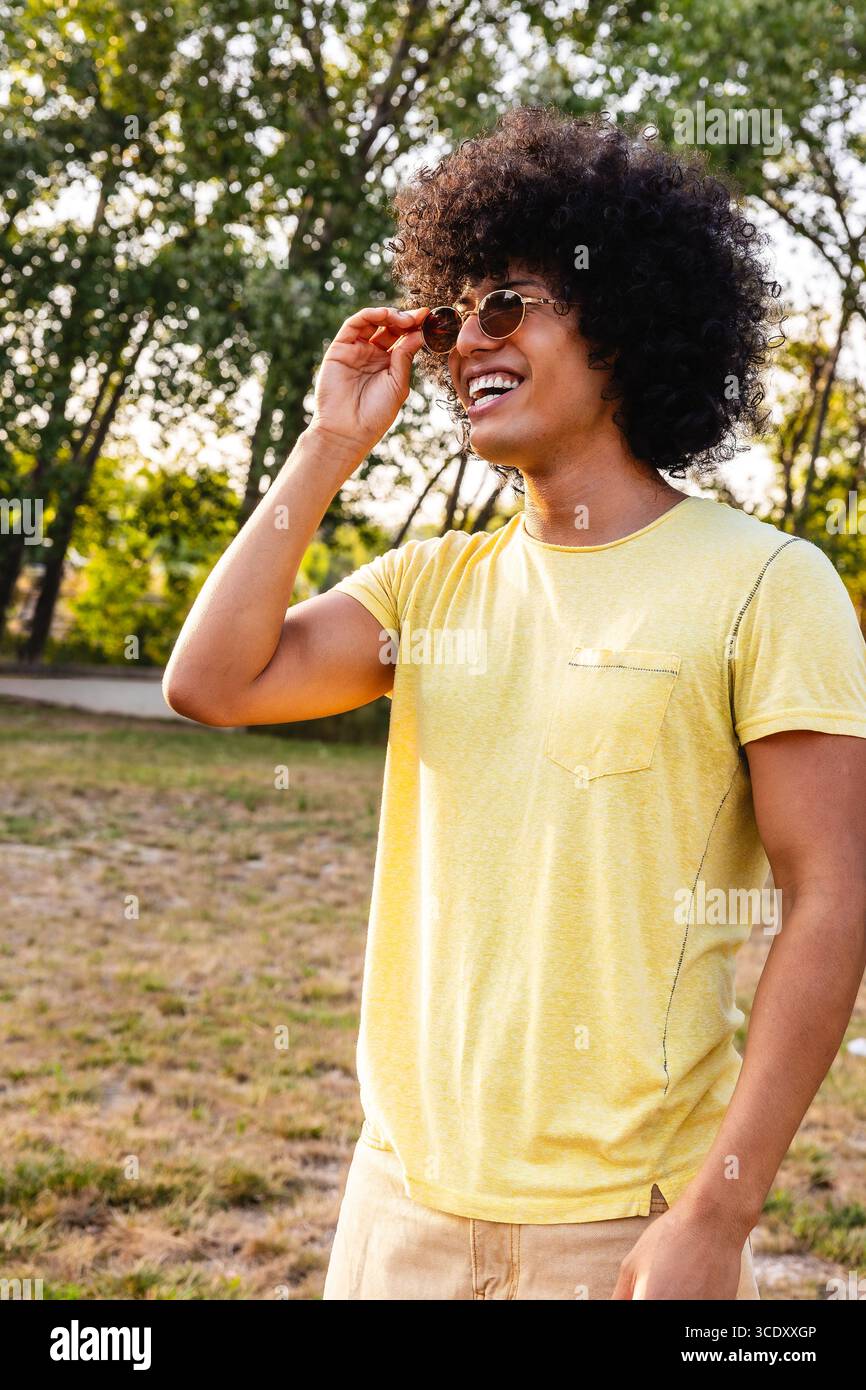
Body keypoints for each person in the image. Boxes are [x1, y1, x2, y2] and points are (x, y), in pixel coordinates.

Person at [164, 108, 866, 1300]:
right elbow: (211, 682)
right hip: (395, 1213)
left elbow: (831, 898)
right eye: (450, 315)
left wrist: (716, 1211)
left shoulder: (767, 582)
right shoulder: (429, 581)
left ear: (624, 323)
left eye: (509, 304)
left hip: (619, 1230)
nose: (463, 341)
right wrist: (328, 444)